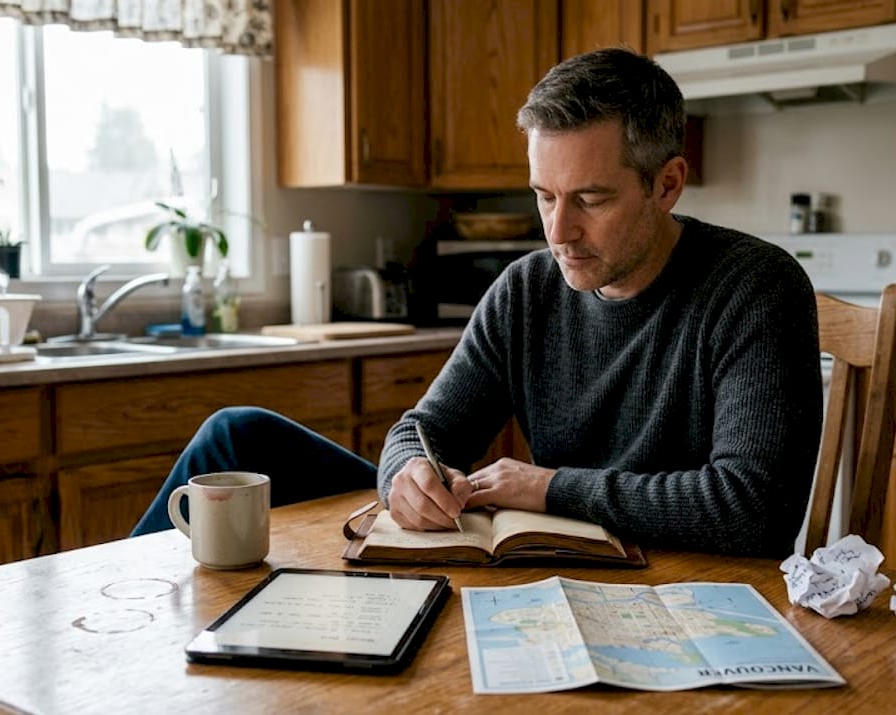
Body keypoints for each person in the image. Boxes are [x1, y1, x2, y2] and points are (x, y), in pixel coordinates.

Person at [133, 47, 821, 558]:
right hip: (542, 567)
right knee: (235, 435)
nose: (558, 232)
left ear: (667, 184)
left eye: (590, 199)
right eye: (544, 196)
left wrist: (548, 487)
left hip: (680, 587)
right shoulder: (526, 291)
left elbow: (754, 508)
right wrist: (409, 471)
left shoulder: (755, 287)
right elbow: (422, 428)